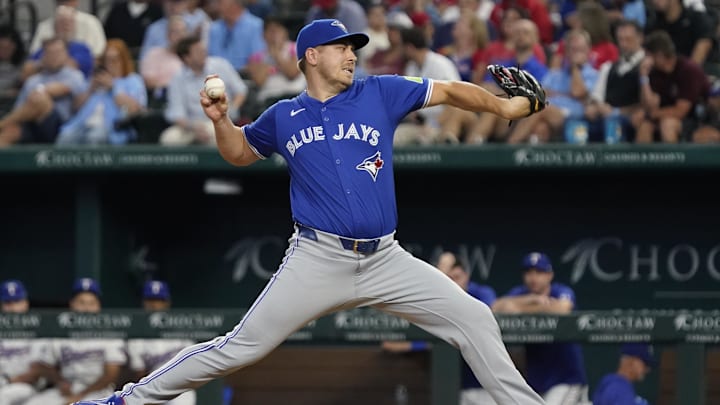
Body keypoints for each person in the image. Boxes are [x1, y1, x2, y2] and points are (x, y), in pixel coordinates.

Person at [73, 18, 546, 405]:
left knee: (475, 318)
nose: (352, 55)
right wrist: (221, 122)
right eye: (342, 47)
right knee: (241, 347)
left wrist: (506, 107)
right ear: (312, 56)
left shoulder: (379, 91)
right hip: (318, 258)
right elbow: (239, 153)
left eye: (353, 48)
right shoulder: (283, 115)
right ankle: (125, 401)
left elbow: (448, 91)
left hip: (386, 259)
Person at [382, 252, 499, 405]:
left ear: (465, 275)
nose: (453, 283)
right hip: (446, 384)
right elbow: (390, 343)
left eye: (456, 277)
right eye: (446, 277)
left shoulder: (481, 293)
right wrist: (422, 344)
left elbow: (479, 321)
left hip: (483, 385)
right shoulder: (431, 298)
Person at [492, 252, 588, 405]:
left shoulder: (561, 290)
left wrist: (522, 308)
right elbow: (497, 307)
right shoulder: (521, 293)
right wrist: (533, 300)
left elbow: (563, 308)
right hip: (537, 381)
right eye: (529, 272)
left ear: (549, 275)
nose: (533, 277)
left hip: (566, 379)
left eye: (539, 272)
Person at [26, 278, 126, 405]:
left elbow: (111, 375)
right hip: (69, 388)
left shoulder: (109, 333)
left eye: (91, 303)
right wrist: (60, 381)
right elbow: (45, 365)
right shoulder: (61, 331)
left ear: (98, 306)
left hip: (99, 391)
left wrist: (80, 396)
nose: (86, 308)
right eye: (81, 302)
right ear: (72, 304)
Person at [126, 281, 196, 405]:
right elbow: (140, 374)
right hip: (153, 389)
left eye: (159, 300)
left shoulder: (181, 328)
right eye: (151, 300)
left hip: (180, 387)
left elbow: (192, 364)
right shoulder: (136, 335)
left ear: (167, 303)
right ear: (144, 303)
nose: (155, 305)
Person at [0, 280, 47, 405]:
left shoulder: (39, 331)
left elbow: (36, 373)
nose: (14, 308)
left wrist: (7, 381)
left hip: (28, 386)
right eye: (8, 303)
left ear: (26, 303)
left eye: (17, 302)